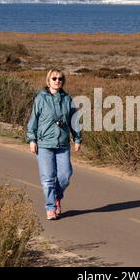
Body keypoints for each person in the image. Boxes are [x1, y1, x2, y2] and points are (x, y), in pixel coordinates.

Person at [26, 69, 82, 220]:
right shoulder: (41, 98)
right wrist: (32, 139)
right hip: (44, 144)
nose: (57, 81)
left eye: (60, 79)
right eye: (54, 78)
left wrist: (77, 138)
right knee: (48, 178)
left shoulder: (67, 99)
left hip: (63, 143)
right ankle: (51, 207)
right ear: (48, 81)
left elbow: (74, 121)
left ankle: (57, 196)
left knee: (65, 174)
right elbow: (33, 120)